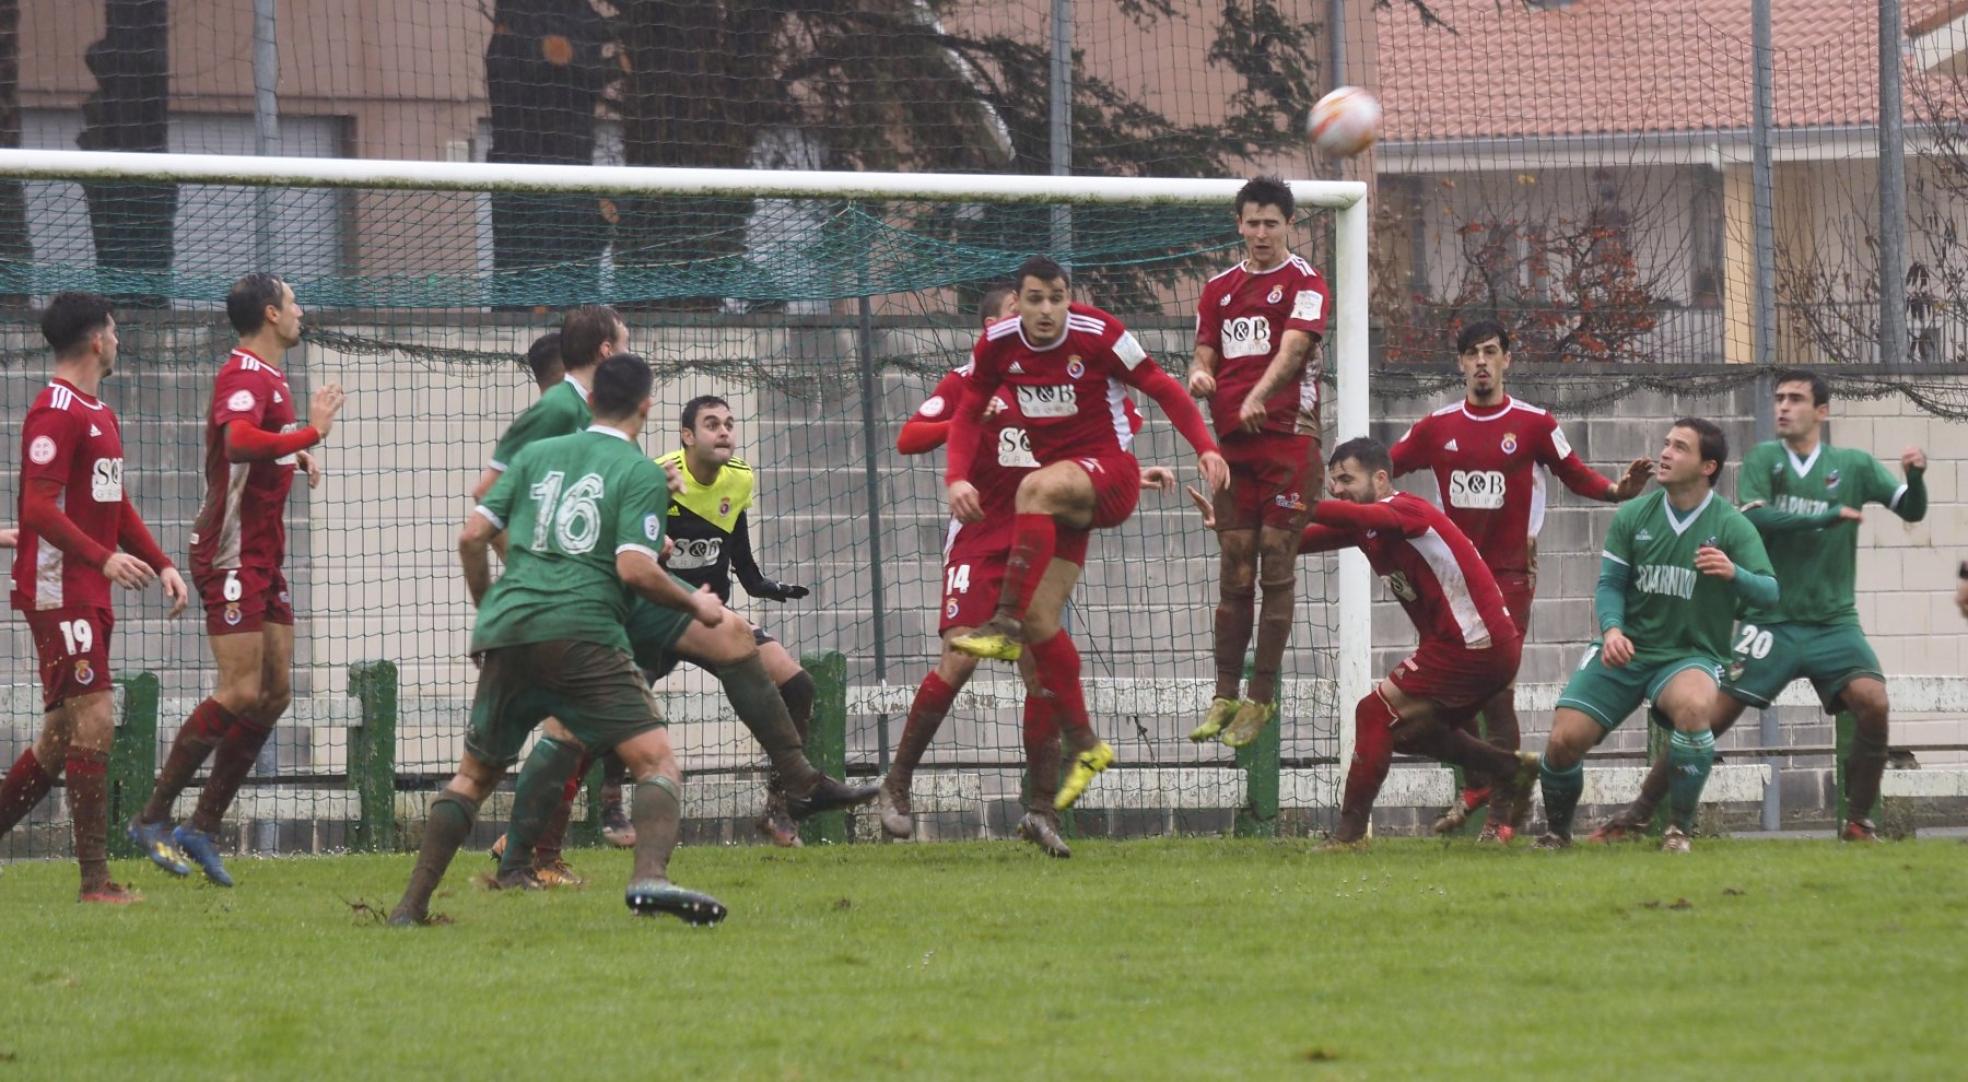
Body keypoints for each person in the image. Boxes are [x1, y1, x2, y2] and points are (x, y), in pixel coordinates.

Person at [390, 352, 731, 924]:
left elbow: (473, 536)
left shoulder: (537, 455)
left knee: (472, 777)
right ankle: (649, 879)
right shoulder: (642, 472)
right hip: (582, 632)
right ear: (647, 407)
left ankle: (409, 908)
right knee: (657, 764)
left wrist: (490, 610)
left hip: (510, 628)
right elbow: (634, 569)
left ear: (591, 400)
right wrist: (697, 601)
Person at [881, 285, 1172, 856]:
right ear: (991, 325)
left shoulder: (1064, 371)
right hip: (981, 533)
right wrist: (970, 422)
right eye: (1018, 312)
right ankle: (897, 785)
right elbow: (909, 436)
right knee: (961, 655)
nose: (1036, 321)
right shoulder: (970, 379)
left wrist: (1136, 472)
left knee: (1039, 668)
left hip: (1039, 533)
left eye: (1043, 308)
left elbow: (1110, 431)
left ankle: (1040, 811)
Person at [944, 255, 1228, 812]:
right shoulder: (998, 343)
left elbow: (1164, 388)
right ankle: (1086, 743)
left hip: (1109, 477)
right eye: (1035, 299)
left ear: (1068, 297)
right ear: (1018, 301)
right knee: (1041, 620)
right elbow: (968, 409)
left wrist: (1207, 446)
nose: (1047, 310)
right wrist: (955, 476)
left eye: (1057, 297)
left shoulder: (1100, 333)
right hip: (1061, 502)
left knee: (1032, 490)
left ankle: (1000, 622)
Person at [1592, 371, 1926, 843]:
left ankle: (1858, 820)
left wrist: (1917, 479)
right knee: (1705, 719)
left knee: (1874, 702)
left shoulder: (1854, 465)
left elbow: (1912, 511)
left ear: (1822, 412)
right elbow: (1757, 514)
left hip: (1833, 622)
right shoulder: (1764, 459)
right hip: (1770, 622)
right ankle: (1639, 813)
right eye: (1779, 398)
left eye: (1796, 399)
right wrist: (1827, 516)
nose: (1783, 407)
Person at [1192, 438, 1537, 847]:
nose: (1337, 488)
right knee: (1406, 731)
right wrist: (1235, 528)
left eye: (1345, 479)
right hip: (1471, 647)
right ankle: (1509, 769)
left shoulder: (1406, 509)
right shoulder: (1368, 527)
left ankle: (1349, 836)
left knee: (1373, 713)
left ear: (1380, 478)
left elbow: (1326, 514)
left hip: (1474, 645)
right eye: (1332, 481)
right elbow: (1288, 545)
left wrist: (1284, 500)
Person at [1389, 320, 1651, 836]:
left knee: (1495, 689)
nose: (1481, 362)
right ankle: (1482, 784)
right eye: (1471, 354)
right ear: (1460, 364)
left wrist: (1618, 491)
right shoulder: (1436, 427)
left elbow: (1574, 473)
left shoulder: (1533, 424)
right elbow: (1382, 468)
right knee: (1450, 688)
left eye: (1490, 352)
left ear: (1507, 359)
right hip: (1453, 575)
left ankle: (1503, 815)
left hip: (1509, 575)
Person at [128, 273, 345, 887]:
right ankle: (151, 817)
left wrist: (290, 451)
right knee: (242, 688)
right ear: (272, 313)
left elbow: (259, 445)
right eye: (295, 301)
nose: (303, 310)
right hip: (228, 553)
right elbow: (239, 440)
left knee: (274, 692)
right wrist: (310, 433)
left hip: (263, 554)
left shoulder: (268, 376)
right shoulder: (244, 374)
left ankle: (202, 826)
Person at [0, 292, 188, 903]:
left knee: (58, 738)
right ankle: (94, 882)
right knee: (97, 719)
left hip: (87, 588)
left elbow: (114, 504)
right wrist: (102, 557)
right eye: (112, 329)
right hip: (59, 589)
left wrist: (161, 563)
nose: (118, 338)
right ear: (95, 341)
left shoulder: (98, 412)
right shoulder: (55, 411)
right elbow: (34, 507)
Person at [1536, 419, 1777, 853]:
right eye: (1666, 444)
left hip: (1688, 654)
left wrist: (1734, 573)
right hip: (1628, 649)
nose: (1665, 453)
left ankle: (1677, 830)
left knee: (1694, 709)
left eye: (1679, 448)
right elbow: (1610, 584)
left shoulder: (1732, 525)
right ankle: (1556, 834)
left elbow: (1770, 592)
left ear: (1708, 466)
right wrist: (1611, 631)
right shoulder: (1634, 515)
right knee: (1562, 740)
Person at [1185, 177, 1330, 750]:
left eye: (1273, 222)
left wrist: (1258, 397)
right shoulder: (1218, 289)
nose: (1262, 232)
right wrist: (1200, 377)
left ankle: (1261, 697)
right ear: (1238, 224)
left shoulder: (1306, 282)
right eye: (1253, 222)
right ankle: (1223, 694)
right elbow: (1205, 355)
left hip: (1288, 440)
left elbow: (1294, 348)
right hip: (1232, 448)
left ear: (1289, 225)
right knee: (1235, 564)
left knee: (1275, 558)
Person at [654, 395, 816, 846]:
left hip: (714, 620)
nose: (724, 431)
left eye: (729, 423)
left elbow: (734, 544)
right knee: (609, 707)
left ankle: (778, 810)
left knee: (797, 684)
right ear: (687, 437)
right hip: (657, 616)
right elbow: (630, 550)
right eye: (711, 424)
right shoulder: (659, 476)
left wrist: (762, 584)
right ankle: (604, 799)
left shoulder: (740, 478)